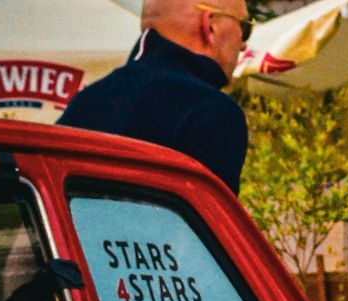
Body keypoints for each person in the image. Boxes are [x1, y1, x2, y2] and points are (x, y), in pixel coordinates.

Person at [60, 0, 252, 193]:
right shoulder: (212, 113)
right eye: (245, 27)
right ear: (210, 27)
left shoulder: (86, 101)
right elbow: (213, 220)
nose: (244, 44)